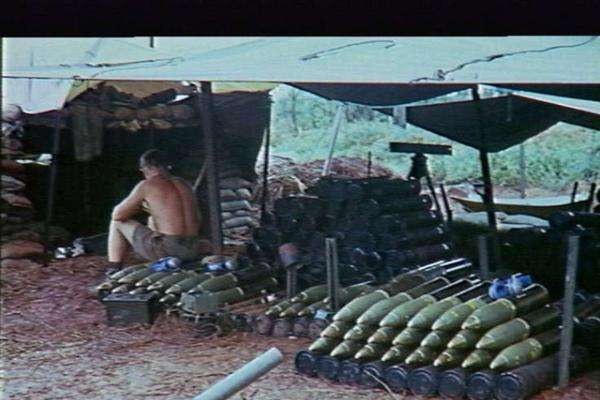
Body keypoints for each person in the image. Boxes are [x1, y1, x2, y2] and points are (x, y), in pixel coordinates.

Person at [107, 149, 212, 273]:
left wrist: (140, 206)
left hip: (169, 249)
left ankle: (113, 269)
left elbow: (118, 214)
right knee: (151, 219)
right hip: (193, 247)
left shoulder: (146, 185)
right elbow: (198, 219)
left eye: (142, 171)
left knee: (117, 222)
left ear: (146, 168)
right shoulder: (184, 184)